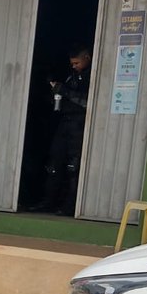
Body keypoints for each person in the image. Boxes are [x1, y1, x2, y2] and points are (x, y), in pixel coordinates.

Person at [33, 45, 91, 215]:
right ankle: (48, 202)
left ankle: (69, 207)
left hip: (79, 125)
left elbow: (87, 102)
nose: (74, 66)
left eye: (77, 63)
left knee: (73, 167)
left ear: (87, 57)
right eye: (72, 64)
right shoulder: (70, 76)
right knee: (54, 164)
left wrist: (65, 91)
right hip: (64, 123)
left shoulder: (91, 77)